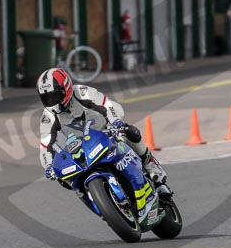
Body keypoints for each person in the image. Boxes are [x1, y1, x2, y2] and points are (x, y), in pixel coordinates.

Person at [37, 68, 166, 186]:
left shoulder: (81, 92)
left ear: (65, 88)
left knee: (127, 131)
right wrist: (48, 165)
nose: (51, 102)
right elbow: (45, 146)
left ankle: (150, 163)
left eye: (54, 96)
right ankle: (92, 194)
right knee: (63, 178)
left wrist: (116, 121)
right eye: (46, 98)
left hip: (102, 133)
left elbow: (108, 105)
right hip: (77, 149)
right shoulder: (48, 116)